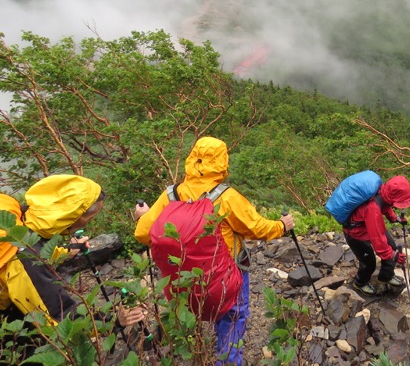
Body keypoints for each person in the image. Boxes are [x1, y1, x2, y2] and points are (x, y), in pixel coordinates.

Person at [133, 136, 294, 366]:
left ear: (192, 158)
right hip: (224, 276)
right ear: (222, 161)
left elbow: (142, 233)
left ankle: (196, 346)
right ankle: (227, 360)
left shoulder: (170, 195)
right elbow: (256, 228)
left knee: (194, 311)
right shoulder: (226, 197)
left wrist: (146, 215)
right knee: (234, 315)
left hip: (183, 278)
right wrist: (282, 226)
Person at [0, 175, 145, 359]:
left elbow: (30, 243)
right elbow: (59, 318)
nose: (89, 223)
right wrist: (113, 321)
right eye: (89, 218)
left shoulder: (11, 212)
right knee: (37, 345)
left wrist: (66, 251)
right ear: (69, 217)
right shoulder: (25, 260)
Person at [343, 174, 410, 295]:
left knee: (391, 246)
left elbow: (386, 206)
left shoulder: (383, 193)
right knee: (369, 262)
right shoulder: (372, 209)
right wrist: (393, 256)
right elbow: (377, 239)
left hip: (366, 225)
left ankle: (385, 276)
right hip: (355, 233)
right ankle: (360, 283)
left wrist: (395, 218)